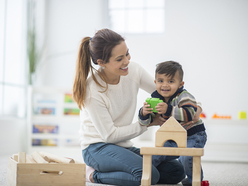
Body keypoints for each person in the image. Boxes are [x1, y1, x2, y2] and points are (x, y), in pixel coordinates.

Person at [72, 28, 200, 186]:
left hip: (123, 146)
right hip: (97, 148)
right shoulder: (92, 91)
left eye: (127, 53)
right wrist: (146, 124)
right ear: (101, 63)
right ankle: (92, 175)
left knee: (176, 171)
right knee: (148, 175)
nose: (127, 61)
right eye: (119, 59)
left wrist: (193, 107)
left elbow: (164, 92)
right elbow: (110, 136)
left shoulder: (133, 70)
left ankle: (119, 170)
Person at [138, 61, 207, 186]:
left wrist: (168, 110)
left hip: (193, 135)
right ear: (155, 82)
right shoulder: (155, 98)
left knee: (187, 157)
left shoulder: (184, 96)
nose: (165, 85)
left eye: (170, 81)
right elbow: (146, 122)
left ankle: (195, 180)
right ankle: (145, 176)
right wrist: (144, 113)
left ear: (180, 84)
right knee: (154, 156)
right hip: (171, 138)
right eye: (160, 81)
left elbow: (190, 113)